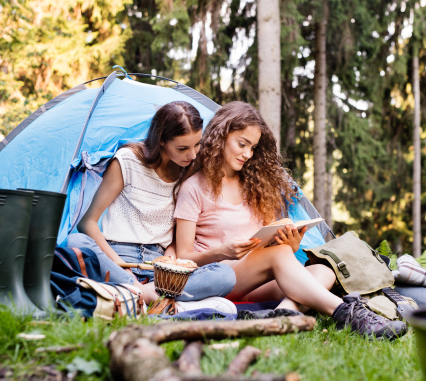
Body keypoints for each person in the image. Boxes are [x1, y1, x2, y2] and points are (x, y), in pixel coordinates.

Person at [173, 101, 407, 339]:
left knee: (325, 270)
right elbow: (183, 258)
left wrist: (290, 245)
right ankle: (348, 314)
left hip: (256, 283)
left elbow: (268, 248)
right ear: (220, 136)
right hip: (220, 279)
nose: (247, 154)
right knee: (282, 258)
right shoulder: (194, 188)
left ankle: (284, 311)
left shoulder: (254, 186)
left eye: (253, 147)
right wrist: (223, 251)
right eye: (242, 144)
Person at [72, 101, 236, 312]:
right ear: (161, 142)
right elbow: (88, 223)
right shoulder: (128, 161)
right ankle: (153, 298)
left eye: (197, 144)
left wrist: (169, 263)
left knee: (225, 275)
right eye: (182, 148)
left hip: (161, 267)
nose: (193, 155)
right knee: (76, 242)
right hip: (119, 260)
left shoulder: (190, 171)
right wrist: (122, 268)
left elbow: (179, 235)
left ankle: (137, 297)